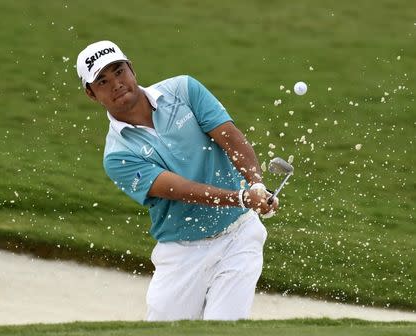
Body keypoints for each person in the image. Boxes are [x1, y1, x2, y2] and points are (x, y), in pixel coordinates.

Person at [76, 40, 279, 321]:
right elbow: (179, 190)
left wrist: (256, 185)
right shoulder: (118, 154)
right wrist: (242, 198)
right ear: (90, 93)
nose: (116, 84)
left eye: (119, 71)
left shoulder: (184, 90)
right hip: (182, 252)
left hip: (239, 235)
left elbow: (231, 138)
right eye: (102, 80)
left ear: (131, 69)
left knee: (224, 327)